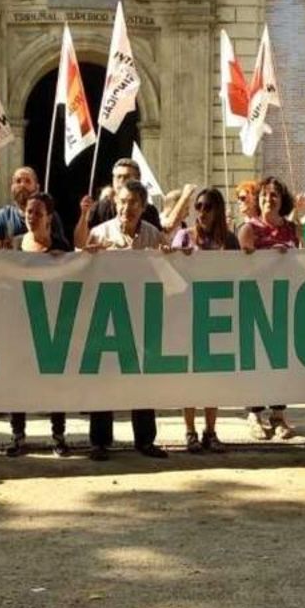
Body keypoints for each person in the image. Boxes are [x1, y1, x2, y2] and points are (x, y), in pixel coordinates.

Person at [81, 180, 169, 460]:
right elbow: (82, 271)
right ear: (114, 203)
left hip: (142, 317)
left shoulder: (154, 235)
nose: (126, 208)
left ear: (143, 207)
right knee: (103, 379)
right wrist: (90, 256)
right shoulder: (98, 233)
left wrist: (178, 256)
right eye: (122, 201)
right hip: (107, 316)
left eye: (133, 203)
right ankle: (99, 442)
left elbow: (172, 267)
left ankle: (144, 440)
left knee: (142, 379)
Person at [170, 187, 238, 453]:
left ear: (218, 210)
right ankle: (190, 431)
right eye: (198, 206)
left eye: (208, 206)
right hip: (188, 315)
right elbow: (170, 269)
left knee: (214, 377)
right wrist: (175, 256)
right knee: (190, 376)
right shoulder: (184, 237)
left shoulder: (229, 241)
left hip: (219, 315)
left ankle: (211, 431)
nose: (202, 212)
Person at [8, 191, 73, 457]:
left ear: (48, 218)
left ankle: (58, 435)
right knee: (18, 381)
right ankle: (18, 436)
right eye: (28, 212)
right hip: (21, 323)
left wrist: (68, 261)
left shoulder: (62, 247)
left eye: (37, 212)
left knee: (54, 382)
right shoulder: (13, 246)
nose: (31, 217)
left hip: (53, 325)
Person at [237, 175, 301, 440]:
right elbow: (242, 267)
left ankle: (279, 414)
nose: (268, 199)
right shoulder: (248, 229)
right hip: (255, 304)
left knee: (281, 361)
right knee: (257, 360)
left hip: (285, 304)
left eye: (274, 195)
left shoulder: (293, 229)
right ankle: (254, 413)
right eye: (264, 195)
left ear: (282, 200)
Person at [0, 166, 64, 249]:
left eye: (27, 181)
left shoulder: (50, 216)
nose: (22, 185)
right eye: (18, 181)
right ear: (12, 187)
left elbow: (60, 252)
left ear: (37, 188)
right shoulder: (2, 217)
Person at [86, 158, 162, 229]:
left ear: (138, 179)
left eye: (127, 177)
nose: (122, 181)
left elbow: (159, 239)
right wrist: (84, 215)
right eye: (118, 177)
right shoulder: (99, 208)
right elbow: (83, 240)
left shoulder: (150, 211)